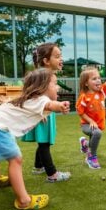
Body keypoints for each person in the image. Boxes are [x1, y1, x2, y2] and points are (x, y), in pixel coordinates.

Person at [0, 69, 70, 210]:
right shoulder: (41, 99)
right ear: (43, 86)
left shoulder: (28, 99)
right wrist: (60, 106)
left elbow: (35, 110)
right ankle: (24, 201)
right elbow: (50, 105)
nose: (58, 87)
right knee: (16, 159)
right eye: (55, 84)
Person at [21, 43, 71, 183]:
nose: (61, 59)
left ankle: (38, 167)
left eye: (61, 56)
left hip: (47, 111)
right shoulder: (44, 76)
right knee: (44, 142)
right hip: (43, 114)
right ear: (46, 61)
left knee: (44, 142)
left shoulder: (46, 75)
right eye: (57, 56)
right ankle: (52, 174)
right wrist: (40, 112)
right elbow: (29, 94)